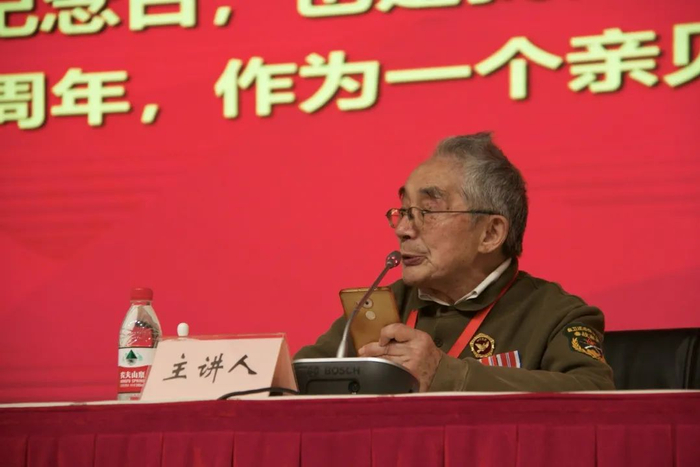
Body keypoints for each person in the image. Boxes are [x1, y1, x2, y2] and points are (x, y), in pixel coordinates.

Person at [294, 133, 615, 392]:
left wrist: (446, 374)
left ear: (490, 233)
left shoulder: (555, 314)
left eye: (428, 211)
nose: (403, 229)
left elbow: (595, 393)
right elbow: (291, 382)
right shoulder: (378, 307)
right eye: (403, 211)